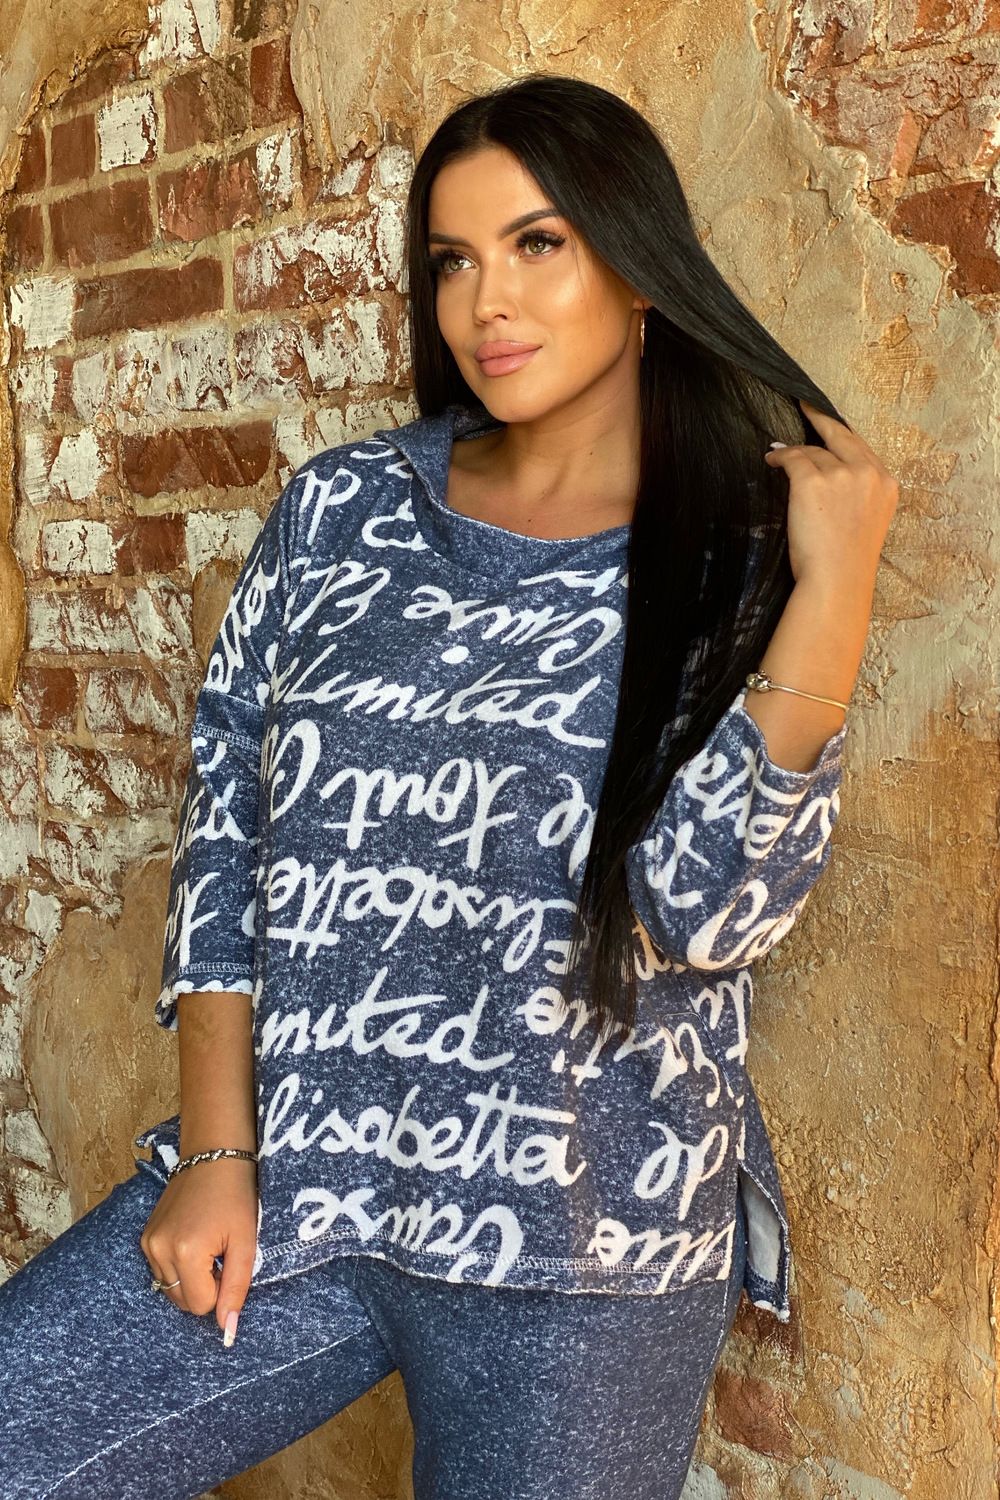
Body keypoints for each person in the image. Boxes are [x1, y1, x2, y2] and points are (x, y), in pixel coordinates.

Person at [0, 71, 897, 1500]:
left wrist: (834, 589)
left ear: (639, 268)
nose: (488, 302)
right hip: (305, 1186)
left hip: (588, 1249)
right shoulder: (340, 510)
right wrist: (219, 1148)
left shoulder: (730, 556)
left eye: (538, 244)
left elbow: (706, 911)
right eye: (454, 260)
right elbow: (228, 832)